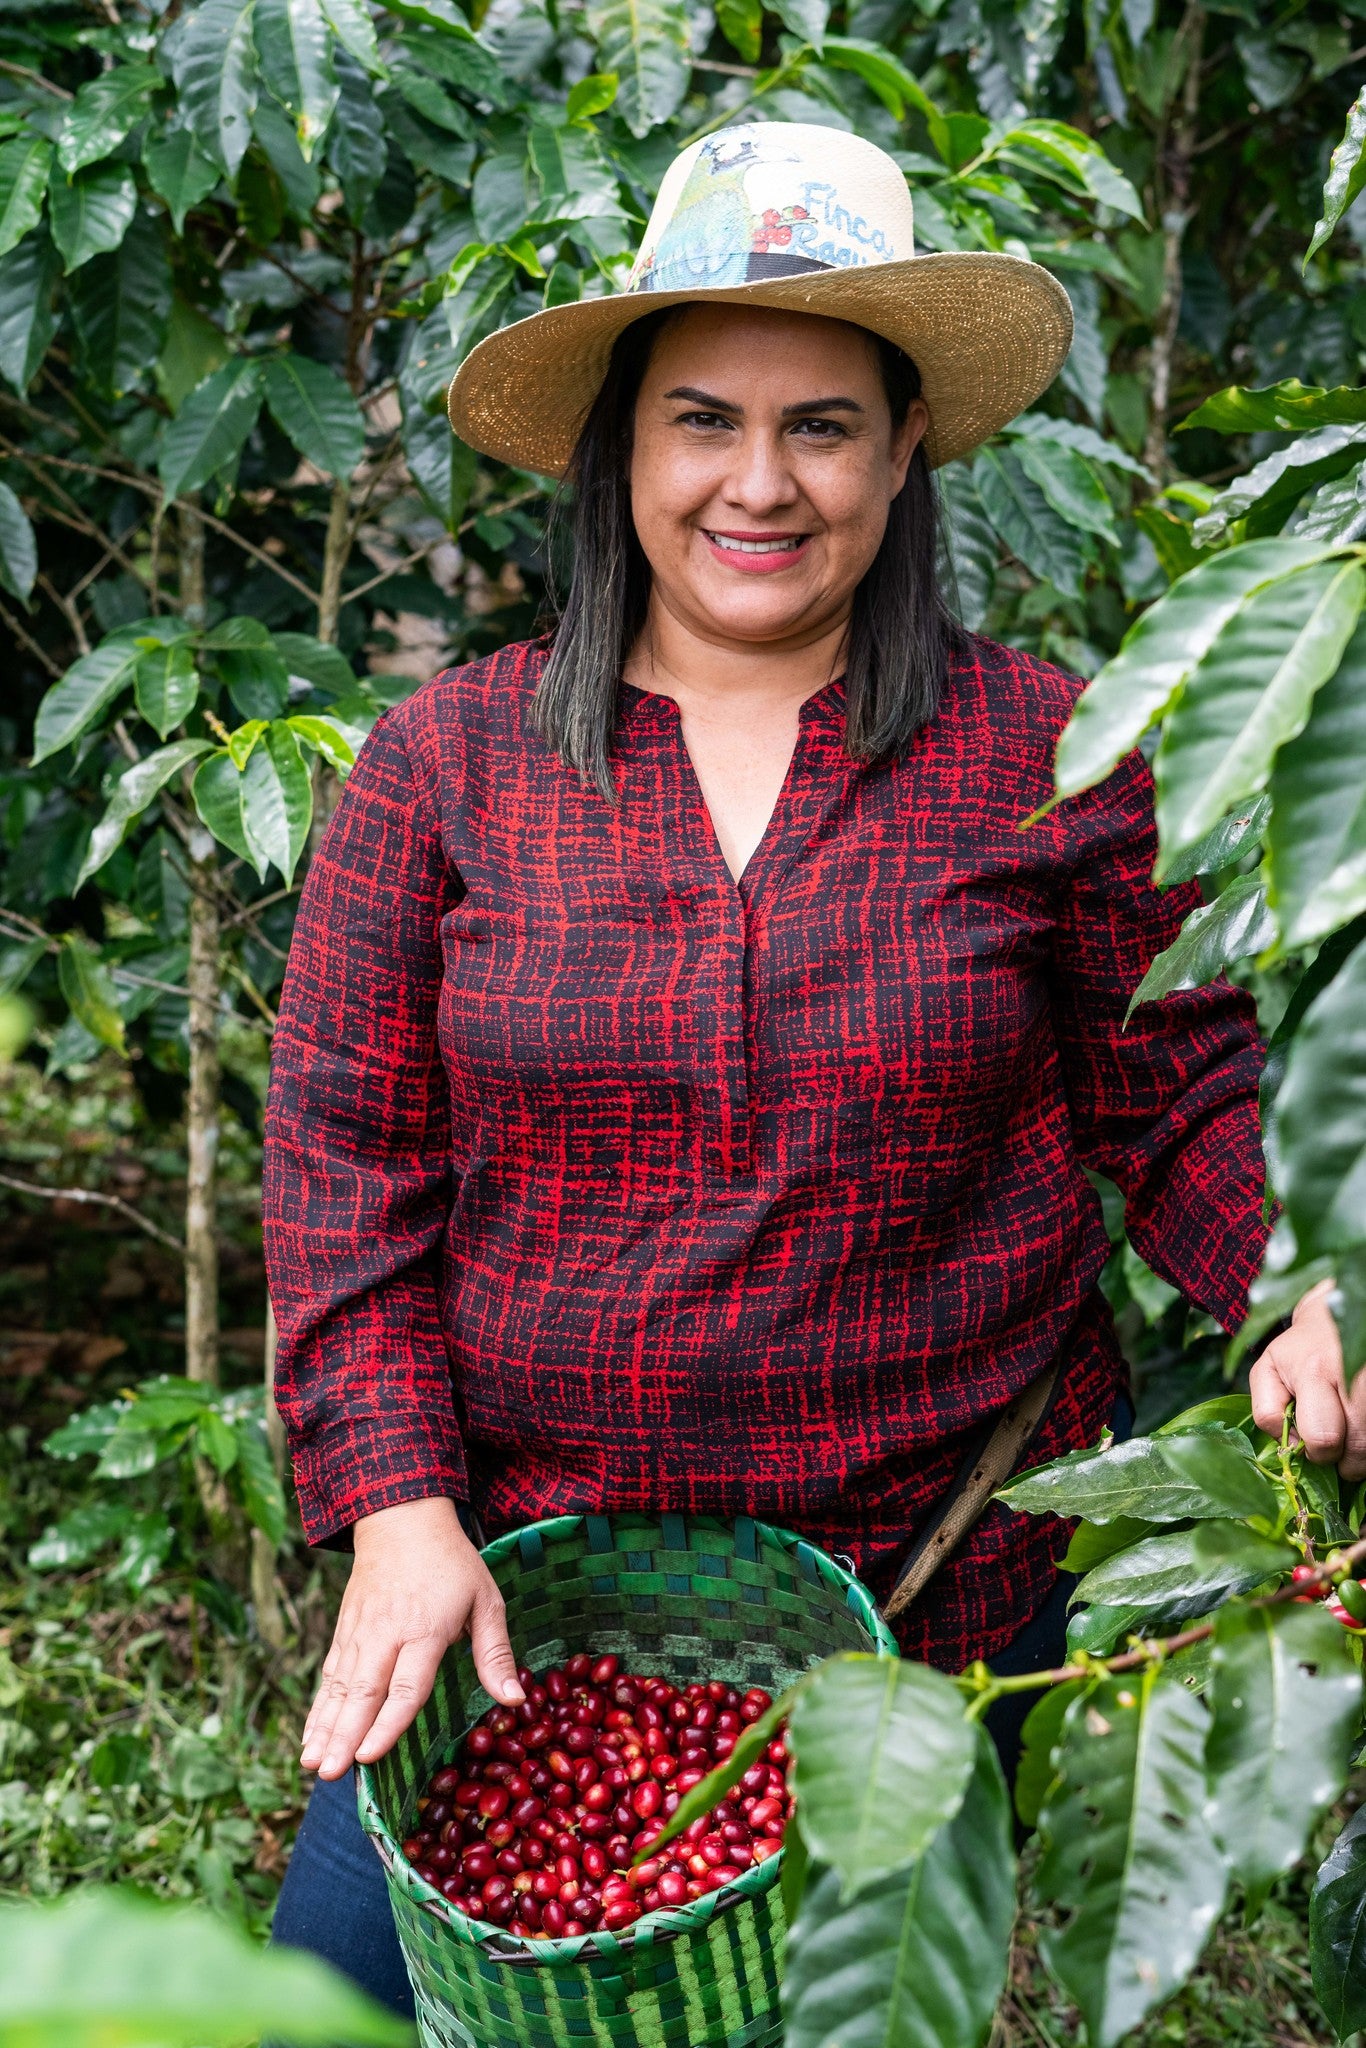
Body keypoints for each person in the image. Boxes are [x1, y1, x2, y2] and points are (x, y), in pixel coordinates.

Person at [262, 121, 1356, 2007]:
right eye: (701, 420)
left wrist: (1295, 1291)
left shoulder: (1046, 754)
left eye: (821, 427)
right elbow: (344, 1173)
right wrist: (400, 1509)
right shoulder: (443, 769)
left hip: (943, 1585)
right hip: (532, 1595)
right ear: (620, 446)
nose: (757, 483)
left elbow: (1175, 1092)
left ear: (904, 447)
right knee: (336, 1999)